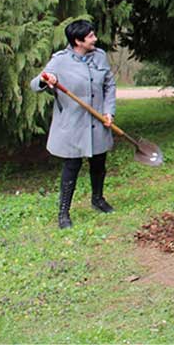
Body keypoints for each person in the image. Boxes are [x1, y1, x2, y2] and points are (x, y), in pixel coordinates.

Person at [30, 20, 117, 230]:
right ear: (78, 41)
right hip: (73, 125)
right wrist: (45, 80)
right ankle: (64, 213)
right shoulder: (60, 61)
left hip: (97, 122)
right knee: (72, 167)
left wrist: (109, 111)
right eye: (90, 36)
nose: (95, 39)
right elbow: (35, 84)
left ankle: (98, 199)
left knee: (99, 162)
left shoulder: (100, 56)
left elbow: (109, 84)